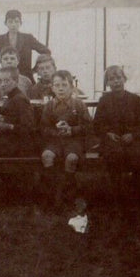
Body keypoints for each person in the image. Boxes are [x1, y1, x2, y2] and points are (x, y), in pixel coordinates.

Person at [40, 70, 92, 210]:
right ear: (52, 88)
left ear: (71, 87)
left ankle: (68, 194)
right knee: (47, 156)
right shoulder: (49, 106)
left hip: (73, 141)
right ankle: (53, 194)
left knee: (72, 158)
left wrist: (72, 130)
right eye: (57, 85)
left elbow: (88, 127)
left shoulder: (79, 104)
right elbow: (43, 128)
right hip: (55, 141)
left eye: (64, 85)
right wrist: (55, 131)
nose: (61, 88)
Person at [93, 65, 140, 192]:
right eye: (112, 79)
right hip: (112, 140)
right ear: (108, 82)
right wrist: (108, 133)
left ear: (124, 79)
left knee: (137, 155)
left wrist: (133, 135)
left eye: (119, 77)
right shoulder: (104, 100)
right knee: (114, 155)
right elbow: (97, 124)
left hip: (132, 139)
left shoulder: (135, 99)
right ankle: (116, 192)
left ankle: (135, 191)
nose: (116, 81)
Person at [0, 9, 51, 81]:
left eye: (16, 21)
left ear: (20, 23)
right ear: (5, 23)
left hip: (26, 76)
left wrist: (35, 69)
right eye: (10, 22)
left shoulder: (28, 38)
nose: (13, 24)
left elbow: (46, 51)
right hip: (5, 77)